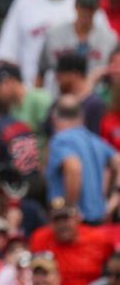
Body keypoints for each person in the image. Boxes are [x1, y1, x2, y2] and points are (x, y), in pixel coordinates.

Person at [47, 95, 120, 224]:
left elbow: (74, 168)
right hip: (99, 220)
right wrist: (114, 199)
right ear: (81, 116)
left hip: (76, 225)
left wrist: (70, 209)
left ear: (54, 117)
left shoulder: (61, 139)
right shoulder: (94, 140)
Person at [40, 0, 117, 95]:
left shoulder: (109, 39)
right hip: (59, 99)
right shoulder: (55, 35)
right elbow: (41, 72)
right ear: (76, 6)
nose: (86, 12)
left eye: (90, 8)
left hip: (95, 100)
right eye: (83, 7)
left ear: (96, 9)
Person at [30, 198, 115, 285]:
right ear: (50, 223)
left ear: (78, 218)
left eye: (66, 219)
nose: (62, 225)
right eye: (57, 220)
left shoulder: (99, 239)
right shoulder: (40, 239)